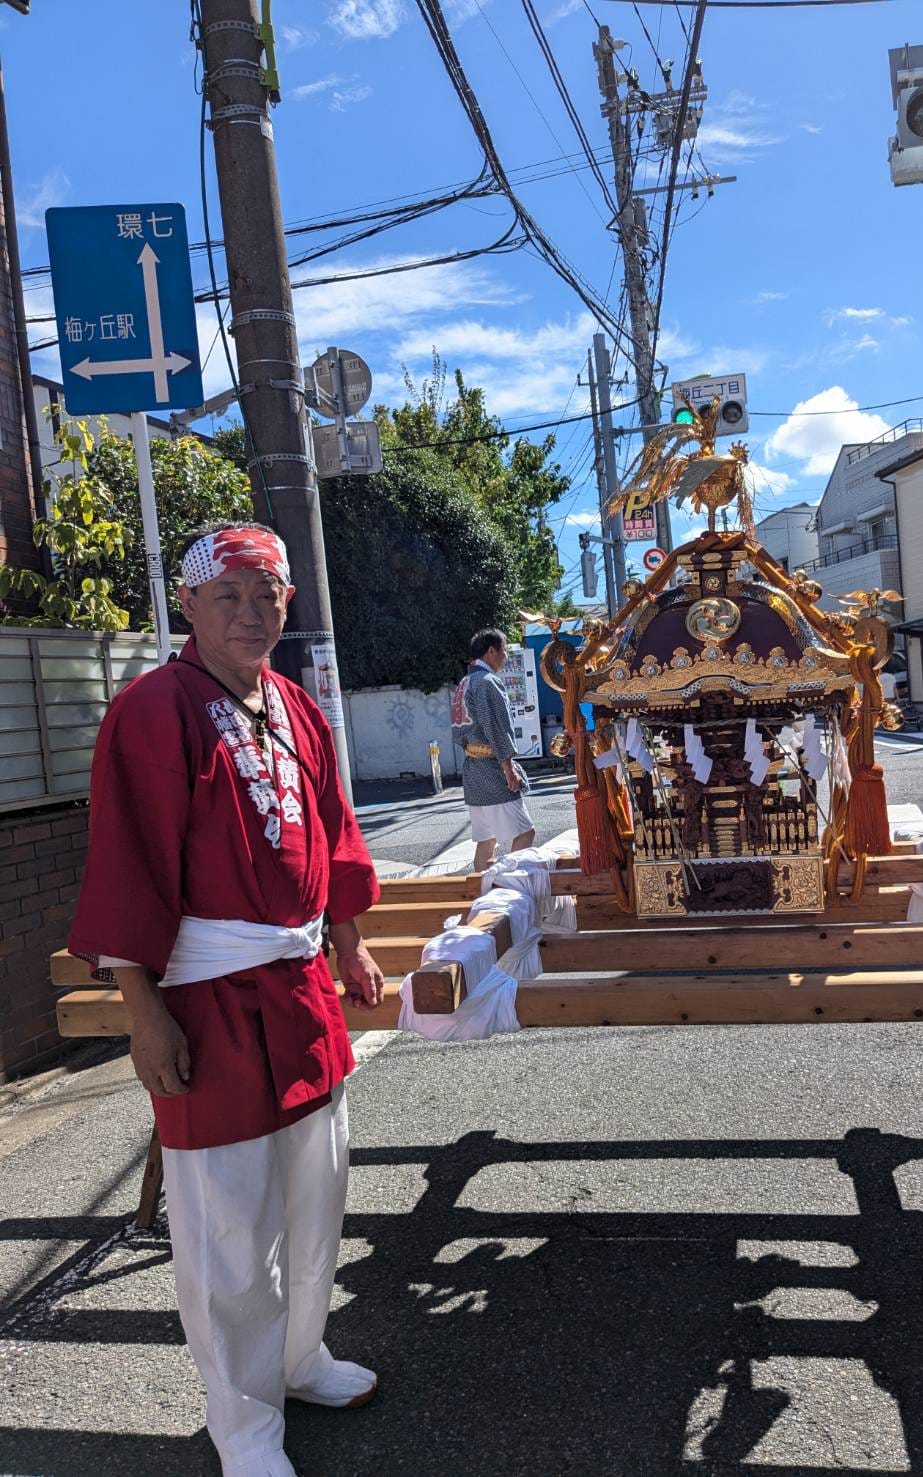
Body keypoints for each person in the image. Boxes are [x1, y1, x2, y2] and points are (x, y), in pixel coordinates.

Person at [69, 521, 386, 1477]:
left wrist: (349, 938)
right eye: (231, 595)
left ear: (290, 604)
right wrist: (141, 1006)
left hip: (299, 989)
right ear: (193, 605)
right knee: (228, 1226)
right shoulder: (151, 710)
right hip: (201, 997)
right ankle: (243, 1424)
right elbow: (126, 861)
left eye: (269, 596)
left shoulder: (294, 702)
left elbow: (333, 829)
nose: (253, 614)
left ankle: (300, 1356)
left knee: (316, 1192)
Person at [451, 628, 536, 871]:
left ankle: (484, 895)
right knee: (525, 833)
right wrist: (508, 768)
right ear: (491, 651)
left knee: (486, 841)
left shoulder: (464, 683)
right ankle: (508, 888)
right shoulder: (487, 682)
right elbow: (497, 727)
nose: (506, 656)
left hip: (472, 770)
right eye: (504, 650)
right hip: (491, 769)